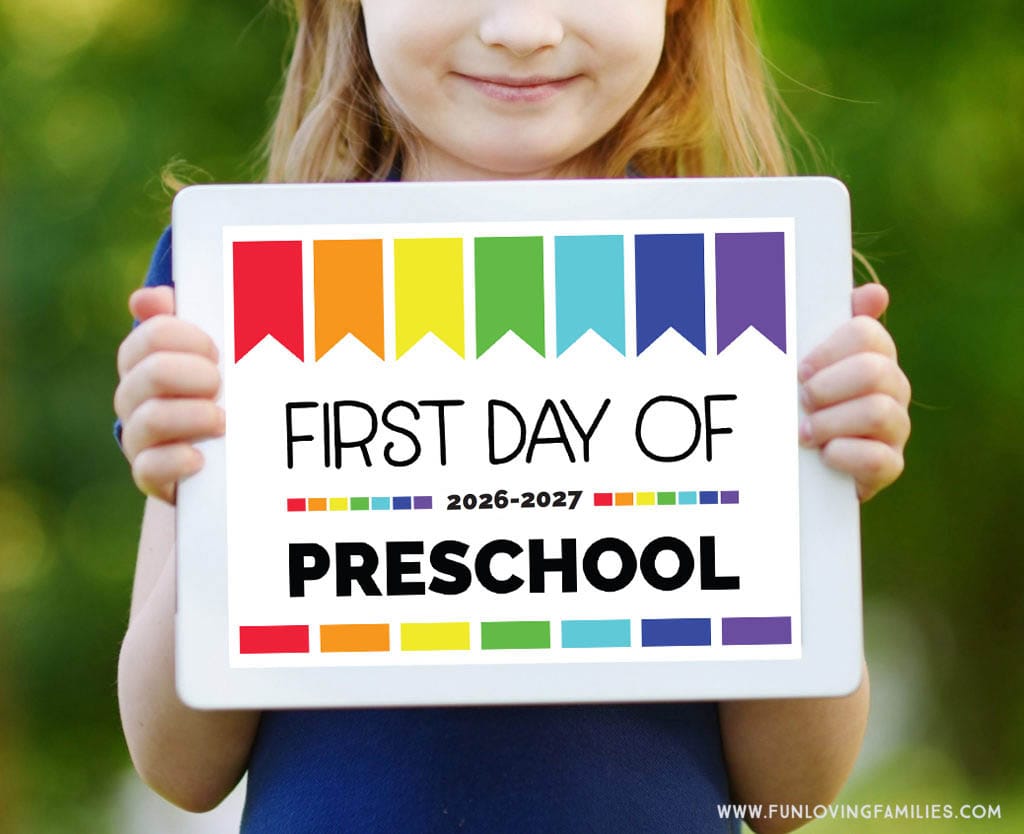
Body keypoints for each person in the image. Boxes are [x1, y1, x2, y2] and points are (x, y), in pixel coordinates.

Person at [114, 2, 912, 832]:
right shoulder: (237, 287)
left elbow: (788, 796)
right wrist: (218, 490)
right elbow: (182, 767)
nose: (523, 30)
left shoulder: (757, 289)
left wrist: (809, 503)